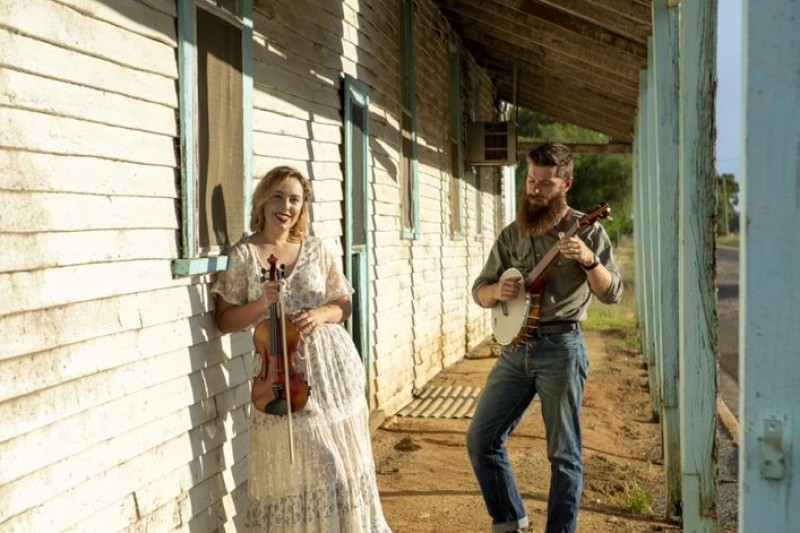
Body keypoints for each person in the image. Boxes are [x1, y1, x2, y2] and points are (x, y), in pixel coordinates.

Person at [212, 166, 391, 532]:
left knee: (344, 468)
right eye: (278, 196)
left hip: (332, 372)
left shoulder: (315, 248)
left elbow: (344, 304)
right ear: (262, 199)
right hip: (281, 379)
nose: (286, 206)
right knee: (324, 470)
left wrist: (322, 313)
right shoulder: (244, 255)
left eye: (295, 199)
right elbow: (225, 320)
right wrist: (262, 302)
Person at [467, 143, 624, 533]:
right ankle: (510, 520)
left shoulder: (589, 231)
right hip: (515, 349)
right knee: (481, 439)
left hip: (562, 349)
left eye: (545, 185)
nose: (534, 191)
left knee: (564, 455)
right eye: (530, 181)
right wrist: (495, 294)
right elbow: (480, 290)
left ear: (566, 184)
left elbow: (613, 292)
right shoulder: (512, 233)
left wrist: (588, 261)